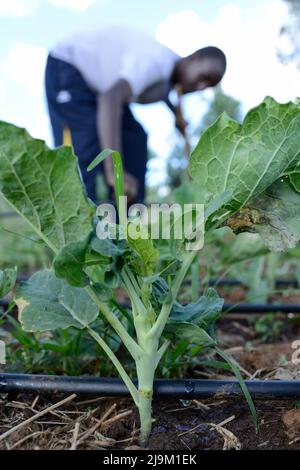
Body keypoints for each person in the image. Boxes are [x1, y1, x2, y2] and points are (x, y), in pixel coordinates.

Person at [45, 25, 226, 202]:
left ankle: (125, 219)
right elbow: (110, 98)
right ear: (193, 58)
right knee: (85, 144)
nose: (201, 87)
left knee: (135, 138)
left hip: (103, 89)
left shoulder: (170, 78)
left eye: (208, 86)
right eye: (203, 77)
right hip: (69, 65)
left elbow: (160, 92)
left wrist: (175, 116)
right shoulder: (155, 62)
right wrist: (115, 172)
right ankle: (82, 224)